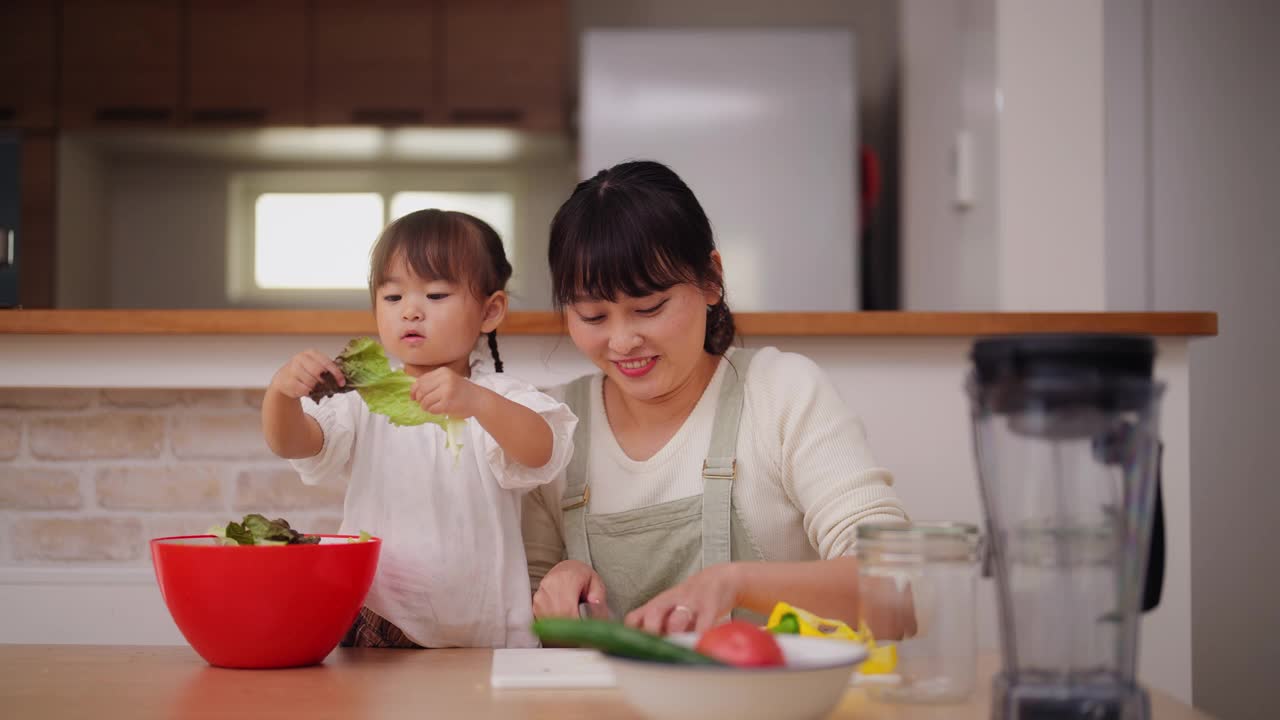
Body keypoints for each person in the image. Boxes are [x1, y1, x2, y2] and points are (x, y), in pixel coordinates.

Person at [523, 160, 910, 637]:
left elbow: (898, 591)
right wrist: (554, 586)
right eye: (592, 316)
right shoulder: (549, 428)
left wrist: (737, 584)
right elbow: (516, 623)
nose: (622, 341)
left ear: (711, 280)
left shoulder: (781, 392)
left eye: (649, 308)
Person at [262, 209, 577, 649]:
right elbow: (294, 443)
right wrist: (281, 395)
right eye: (392, 298)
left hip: (484, 633)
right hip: (380, 622)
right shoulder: (364, 398)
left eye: (435, 294)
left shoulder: (498, 395)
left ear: (491, 310)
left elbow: (540, 450)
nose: (410, 311)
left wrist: (476, 400)